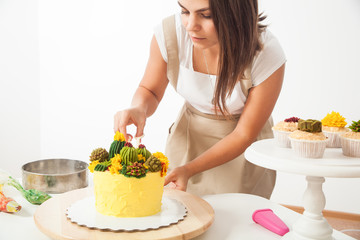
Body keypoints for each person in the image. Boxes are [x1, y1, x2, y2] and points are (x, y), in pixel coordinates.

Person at [114, 0, 286, 199]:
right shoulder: (170, 35)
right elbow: (150, 90)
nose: (190, 25)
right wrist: (139, 108)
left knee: (236, 221)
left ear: (237, 13)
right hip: (188, 141)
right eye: (185, 11)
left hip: (242, 154)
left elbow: (243, 135)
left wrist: (190, 169)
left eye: (206, 15)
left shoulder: (265, 53)